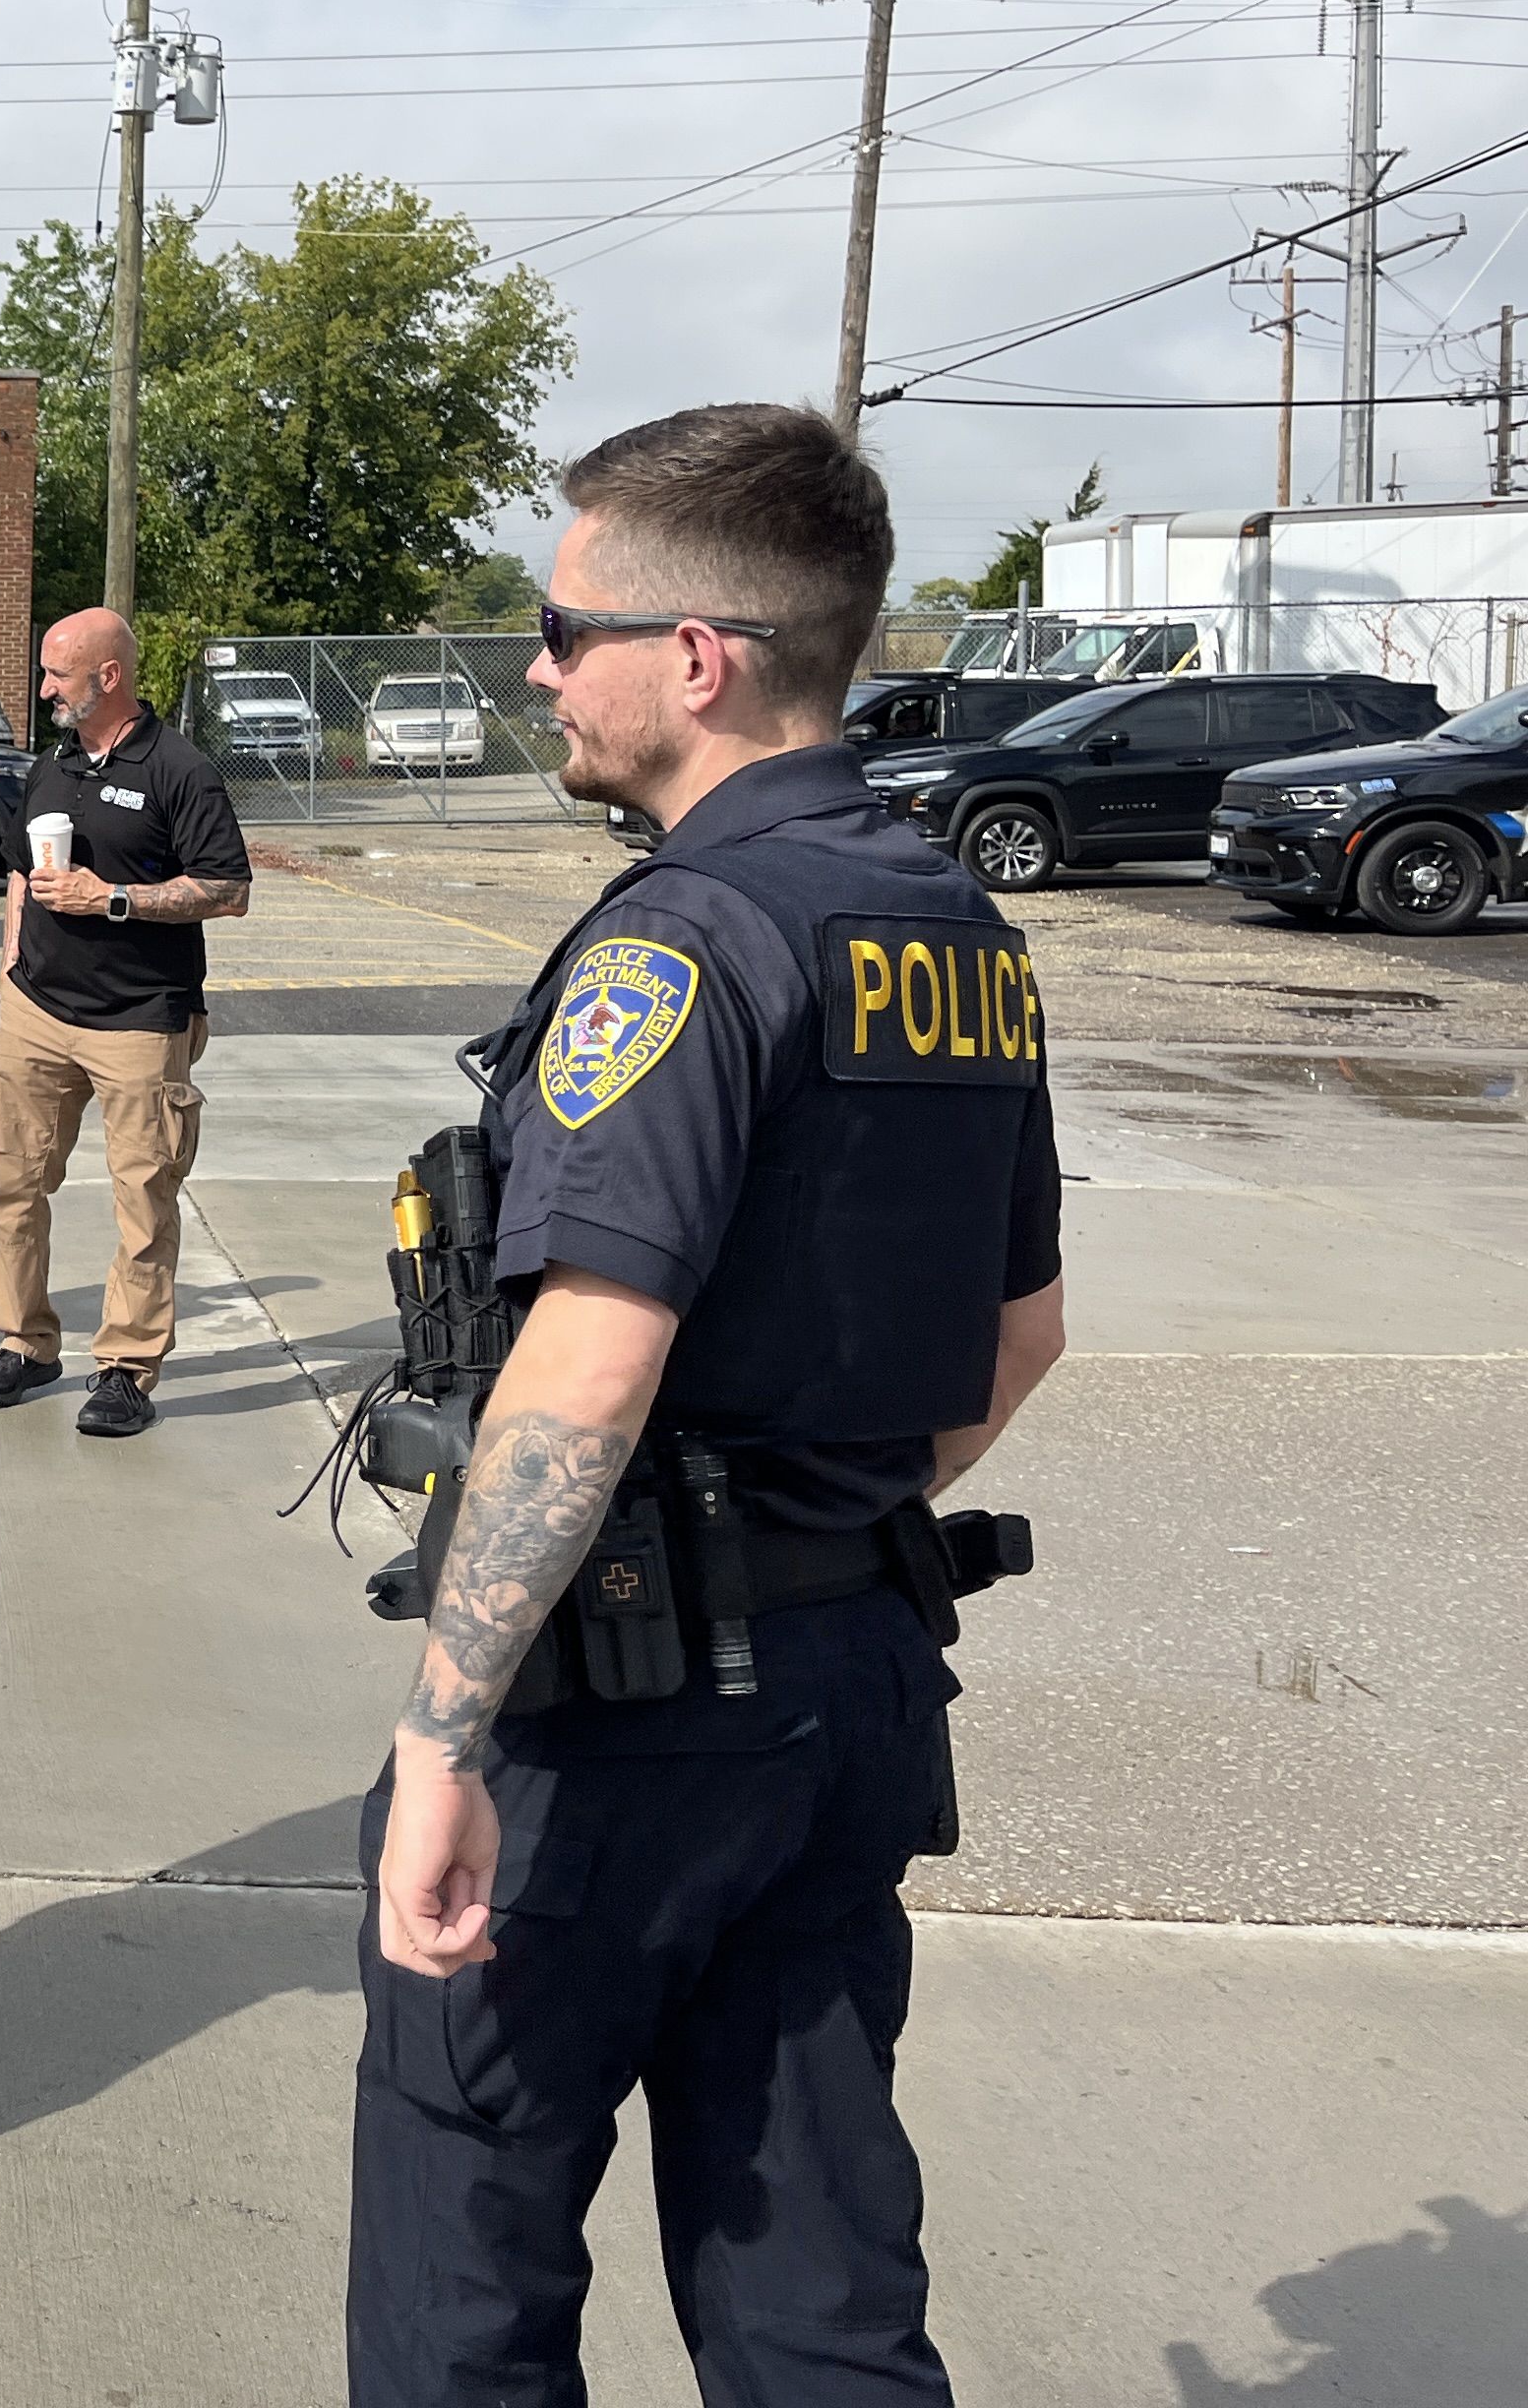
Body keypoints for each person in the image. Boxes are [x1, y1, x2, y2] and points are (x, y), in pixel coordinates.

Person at [348, 404, 1070, 2407]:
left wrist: (445, 1729)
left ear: (696, 655)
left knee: (463, 2274)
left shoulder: (685, 942)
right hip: (850, 1680)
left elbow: (588, 1365)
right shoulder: (957, 936)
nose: (535, 663)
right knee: (816, 2276)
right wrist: (811, 1525)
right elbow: (1025, 1337)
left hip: (627, 1714)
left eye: (564, 623)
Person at [0, 606, 251, 1439]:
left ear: (109, 677)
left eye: (58, 674)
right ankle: (26, 1343)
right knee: (13, 1185)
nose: (45, 687)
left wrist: (114, 899)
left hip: (139, 1020)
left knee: (143, 1200)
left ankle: (126, 1368)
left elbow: (227, 889)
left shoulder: (179, 771)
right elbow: (21, 874)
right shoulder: (51, 767)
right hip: (36, 1011)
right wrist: (11, 972)